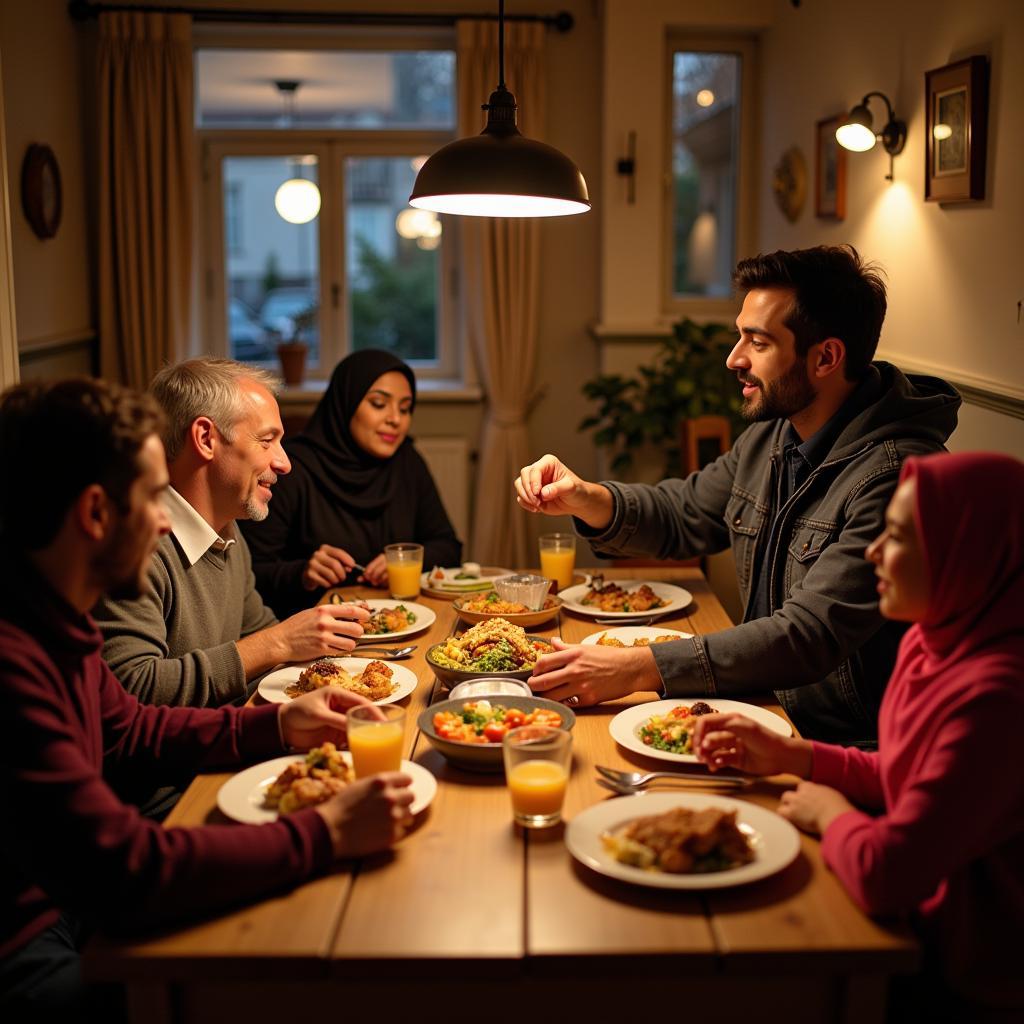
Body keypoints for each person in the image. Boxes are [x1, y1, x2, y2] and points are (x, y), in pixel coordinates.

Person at [0, 378, 414, 1022]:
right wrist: (325, 833)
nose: (166, 519)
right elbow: (127, 868)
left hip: (83, 897)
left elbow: (130, 728)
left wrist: (277, 724)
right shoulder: (13, 661)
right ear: (95, 514)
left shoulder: (59, 620)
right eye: (148, 496)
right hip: (31, 941)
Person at [515, 246, 960, 745]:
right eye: (739, 335)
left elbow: (806, 635)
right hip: (759, 708)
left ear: (826, 357)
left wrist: (636, 668)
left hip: (842, 748)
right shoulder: (773, 435)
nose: (734, 358)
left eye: (759, 341)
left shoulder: (898, 478)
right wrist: (584, 496)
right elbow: (685, 513)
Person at [692, 452, 1024, 1021]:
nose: (872, 552)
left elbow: (888, 874)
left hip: (959, 976)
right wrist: (796, 755)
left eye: (895, 537)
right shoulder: (933, 641)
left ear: (965, 549)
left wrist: (829, 813)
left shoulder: (998, 698)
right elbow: (906, 774)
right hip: (914, 931)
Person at [93, 358, 372, 710]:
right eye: (267, 440)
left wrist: (336, 660)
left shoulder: (227, 529)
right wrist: (279, 642)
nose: (284, 463)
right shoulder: (137, 544)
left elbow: (256, 631)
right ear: (206, 438)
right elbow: (133, 690)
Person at [240, 349, 462, 618]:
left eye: (405, 408)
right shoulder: (291, 466)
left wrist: (410, 559)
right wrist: (303, 572)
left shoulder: (407, 461)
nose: (396, 419)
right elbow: (249, 572)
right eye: (379, 404)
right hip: (311, 627)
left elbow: (449, 546)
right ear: (345, 403)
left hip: (398, 618)